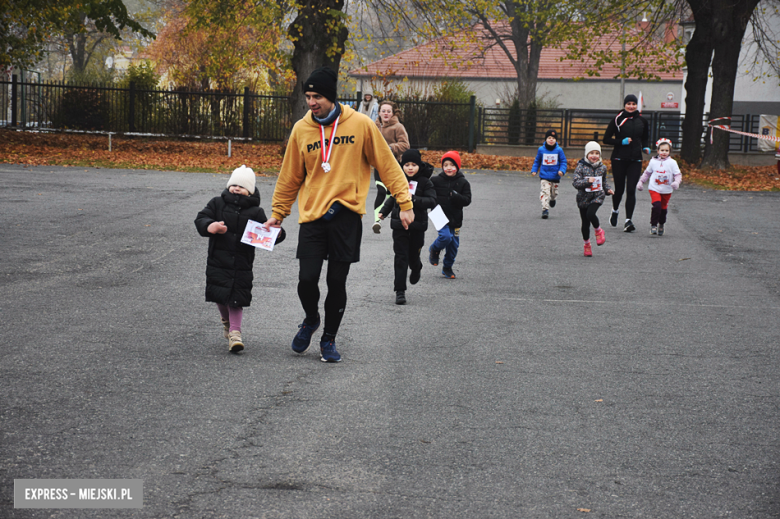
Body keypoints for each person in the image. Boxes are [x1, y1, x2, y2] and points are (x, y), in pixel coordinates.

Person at [263, 66, 413, 363]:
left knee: (336, 281)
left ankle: (328, 339)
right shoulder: (301, 130)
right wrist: (278, 213)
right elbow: (289, 176)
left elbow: (386, 164)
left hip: (346, 216)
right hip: (312, 216)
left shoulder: (361, 125)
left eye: (317, 95)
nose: (311, 101)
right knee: (306, 279)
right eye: (308, 96)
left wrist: (404, 202)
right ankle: (310, 319)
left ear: (331, 96)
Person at [195, 165, 285, 353]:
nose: (236, 188)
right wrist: (210, 226)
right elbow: (201, 218)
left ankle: (235, 334)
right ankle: (227, 322)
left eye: (241, 186)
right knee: (220, 297)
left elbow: (266, 233)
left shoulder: (256, 212)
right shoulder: (216, 203)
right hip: (218, 261)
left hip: (241, 264)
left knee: (236, 299)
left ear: (250, 190)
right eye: (233, 184)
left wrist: (277, 234)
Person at [378, 149, 437, 305]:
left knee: (413, 255)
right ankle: (400, 291)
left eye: (413, 165)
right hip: (399, 225)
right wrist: (383, 212)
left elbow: (432, 201)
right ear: (402, 166)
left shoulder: (425, 182)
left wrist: (413, 199)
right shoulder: (399, 180)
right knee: (400, 257)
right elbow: (392, 198)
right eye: (407, 165)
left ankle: (416, 267)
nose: (410, 168)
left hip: (417, 225)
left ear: (419, 165)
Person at [603, 94, 650, 233]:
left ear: (637, 105)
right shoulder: (618, 119)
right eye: (628, 103)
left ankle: (628, 220)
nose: (631, 106)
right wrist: (620, 141)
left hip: (635, 159)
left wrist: (645, 147)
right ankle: (615, 210)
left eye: (633, 104)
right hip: (619, 158)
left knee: (631, 190)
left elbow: (645, 138)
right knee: (620, 190)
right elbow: (606, 139)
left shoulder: (642, 121)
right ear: (624, 105)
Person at [428, 151, 472, 279]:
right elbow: (428, 192)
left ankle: (447, 267)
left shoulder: (463, 182)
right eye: (445, 165)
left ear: (457, 167)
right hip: (438, 214)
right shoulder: (435, 180)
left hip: (455, 217)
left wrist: (456, 196)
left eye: (452, 165)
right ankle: (434, 249)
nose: (448, 168)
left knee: (453, 245)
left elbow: (467, 200)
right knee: (446, 236)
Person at [372, 100, 410, 234]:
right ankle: (377, 221)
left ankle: (397, 217)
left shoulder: (398, 127)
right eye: (383, 111)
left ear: (393, 113)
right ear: (379, 112)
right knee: (381, 191)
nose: (386, 113)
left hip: (394, 164)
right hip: (378, 164)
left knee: (392, 193)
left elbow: (405, 145)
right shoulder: (374, 126)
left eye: (388, 111)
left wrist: (390, 148)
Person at [572, 142, 614, 257]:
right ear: (586, 155)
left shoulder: (602, 168)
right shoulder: (580, 167)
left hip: (597, 196)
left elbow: (603, 182)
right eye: (591, 153)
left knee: (591, 214)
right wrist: (587, 181)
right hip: (583, 198)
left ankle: (598, 230)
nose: (594, 155)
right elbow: (575, 183)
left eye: (597, 153)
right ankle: (587, 245)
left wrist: (608, 190)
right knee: (585, 223)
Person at [636, 138, 682, 236]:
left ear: (670, 151)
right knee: (656, 205)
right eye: (662, 150)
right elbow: (647, 173)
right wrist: (641, 182)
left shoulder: (672, 163)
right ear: (658, 151)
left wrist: (676, 182)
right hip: (654, 188)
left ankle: (661, 223)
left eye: (666, 150)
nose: (664, 152)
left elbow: (678, 175)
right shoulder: (653, 162)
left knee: (663, 208)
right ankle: (653, 225)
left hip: (667, 189)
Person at [531, 129, 568, 219]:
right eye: (549, 138)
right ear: (546, 139)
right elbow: (537, 161)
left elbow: (563, 162)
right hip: (544, 176)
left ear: (556, 140)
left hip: (555, 176)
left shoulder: (559, 150)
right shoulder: (541, 150)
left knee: (553, 193)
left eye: (553, 138)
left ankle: (553, 199)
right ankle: (545, 209)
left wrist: (562, 171)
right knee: (545, 192)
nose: (551, 140)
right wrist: (534, 170)